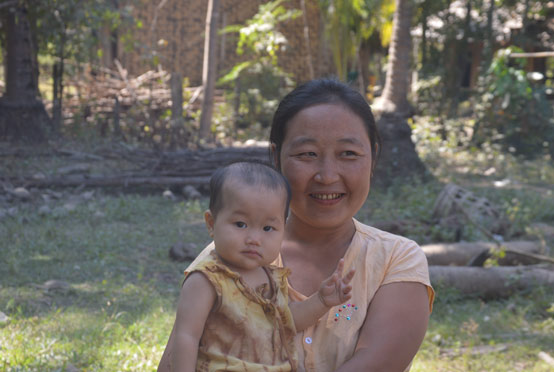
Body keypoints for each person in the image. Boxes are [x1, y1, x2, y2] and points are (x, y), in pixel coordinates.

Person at [159, 78, 434, 372]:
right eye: (307, 155)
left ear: (373, 157)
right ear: (276, 157)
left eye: (348, 154)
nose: (327, 175)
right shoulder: (228, 257)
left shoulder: (396, 260)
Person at [170, 161, 355, 372]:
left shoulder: (272, 277)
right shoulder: (207, 280)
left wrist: (321, 301)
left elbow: (287, 321)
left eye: (268, 228)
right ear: (211, 223)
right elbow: (186, 336)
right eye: (241, 224)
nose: (254, 239)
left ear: (282, 230)